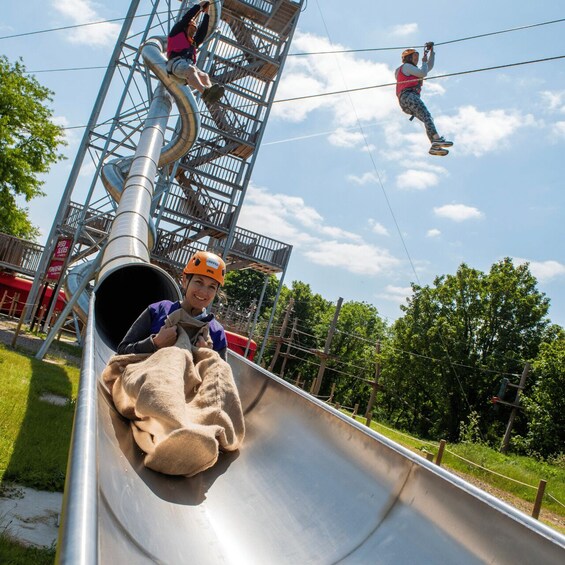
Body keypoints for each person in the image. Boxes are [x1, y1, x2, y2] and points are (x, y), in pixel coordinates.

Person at [118, 251, 228, 360]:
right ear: (185, 281)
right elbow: (122, 350)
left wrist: (207, 358)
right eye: (199, 282)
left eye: (212, 287)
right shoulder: (158, 311)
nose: (204, 292)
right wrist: (154, 343)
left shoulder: (216, 333)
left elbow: (221, 375)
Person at [395, 42, 453, 156]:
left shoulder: (412, 70)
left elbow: (427, 67)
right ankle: (436, 140)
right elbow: (423, 72)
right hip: (408, 96)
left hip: (406, 101)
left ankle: (434, 145)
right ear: (408, 58)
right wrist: (424, 61)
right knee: (426, 115)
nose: (417, 59)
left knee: (428, 118)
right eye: (415, 57)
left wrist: (431, 52)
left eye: (417, 57)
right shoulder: (406, 67)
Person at [166, 1, 224, 103]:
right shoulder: (176, 32)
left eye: (194, 30)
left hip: (187, 70)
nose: (193, 32)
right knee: (191, 69)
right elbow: (186, 19)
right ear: (185, 27)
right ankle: (204, 91)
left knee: (204, 76)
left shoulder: (192, 43)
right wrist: (198, 6)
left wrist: (206, 14)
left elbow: (202, 33)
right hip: (175, 64)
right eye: (191, 29)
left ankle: (210, 92)